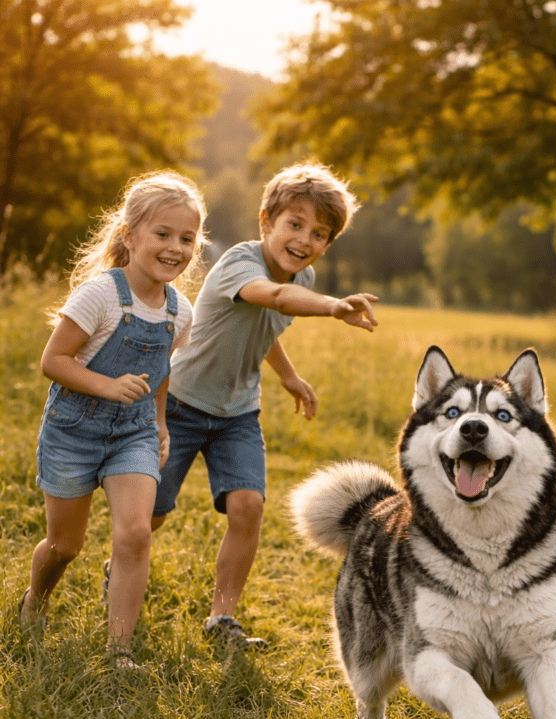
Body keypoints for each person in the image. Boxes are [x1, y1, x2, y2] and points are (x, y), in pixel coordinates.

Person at [150, 162, 378, 649]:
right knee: (153, 511)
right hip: (182, 404)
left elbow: (265, 325)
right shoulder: (239, 262)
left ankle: (222, 619)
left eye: (319, 233)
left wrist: (289, 376)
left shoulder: (304, 276)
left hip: (237, 414)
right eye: (294, 224)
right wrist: (335, 306)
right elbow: (273, 298)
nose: (304, 239)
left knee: (248, 506)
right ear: (265, 222)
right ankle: (123, 564)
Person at [20, 170, 206, 669]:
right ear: (129, 236)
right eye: (162, 234)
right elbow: (52, 361)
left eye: (187, 238)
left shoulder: (179, 311)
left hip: (134, 432)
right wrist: (107, 386)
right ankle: (36, 597)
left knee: (134, 533)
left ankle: (119, 651)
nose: (176, 248)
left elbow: (161, 370)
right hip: (74, 430)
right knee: (65, 546)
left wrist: (162, 423)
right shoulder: (100, 294)